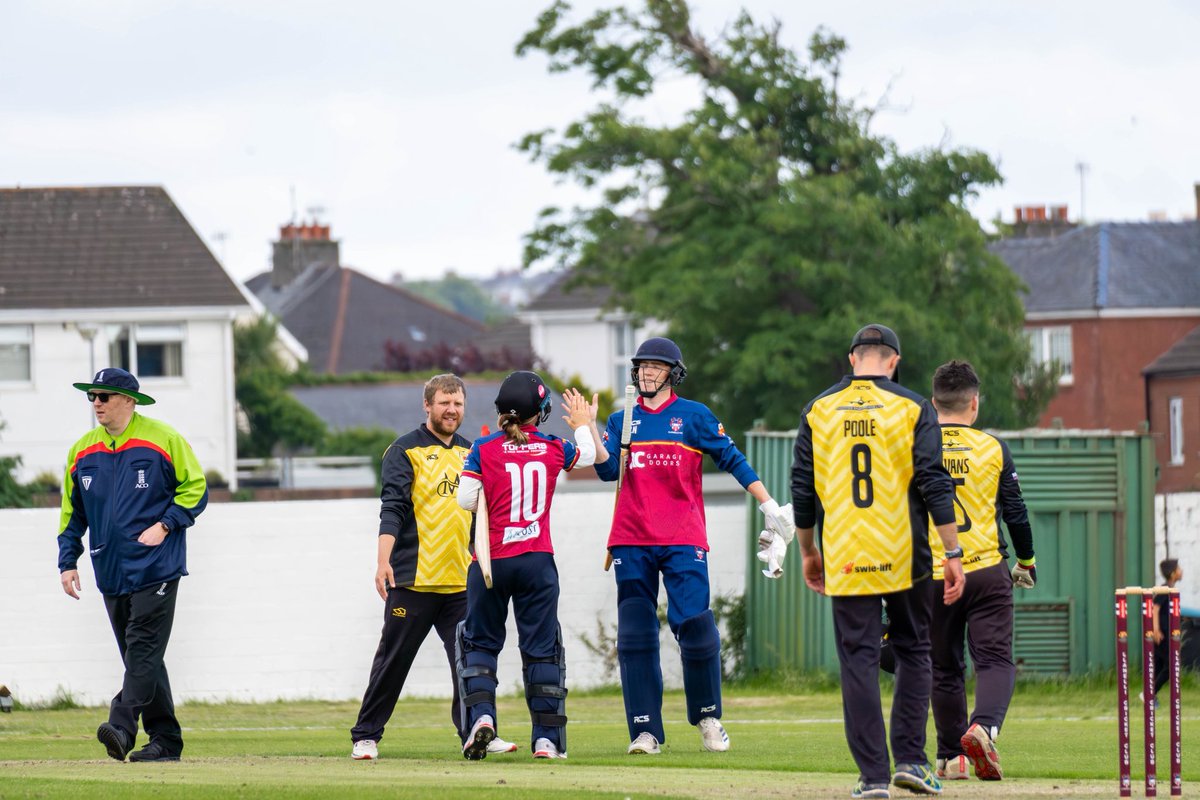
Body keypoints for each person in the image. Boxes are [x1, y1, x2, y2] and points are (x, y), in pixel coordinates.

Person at [595, 337, 792, 755]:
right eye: (642, 366)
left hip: (683, 537)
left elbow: (732, 458)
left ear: (673, 373)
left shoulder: (694, 416)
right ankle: (645, 731)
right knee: (634, 636)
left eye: (655, 366)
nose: (646, 372)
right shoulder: (620, 419)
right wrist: (585, 428)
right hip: (631, 538)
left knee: (696, 627)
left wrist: (768, 503)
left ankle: (708, 717)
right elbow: (608, 469)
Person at [790, 324, 965, 799]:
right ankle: (910, 758)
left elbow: (802, 491)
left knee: (859, 662)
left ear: (852, 359)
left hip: (846, 553)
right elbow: (934, 482)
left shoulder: (818, 410)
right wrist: (952, 552)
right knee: (914, 649)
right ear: (893, 361)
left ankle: (871, 778)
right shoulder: (913, 407)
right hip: (903, 551)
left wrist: (809, 551)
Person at [349, 374, 516, 759]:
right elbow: (392, 509)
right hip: (413, 581)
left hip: (461, 584)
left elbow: (483, 516)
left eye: (457, 403)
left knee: (469, 664)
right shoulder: (404, 451)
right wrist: (382, 562)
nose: (451, 410)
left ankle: (475, 732)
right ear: (428, 405)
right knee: (393, 663)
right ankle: (366, 736)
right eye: (444, 403)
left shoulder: (472, 451)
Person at [57, 368, 208, 762]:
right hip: (110, 569)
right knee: (141, 656)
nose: (96, 404)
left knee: (142, 649)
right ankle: (166, 741)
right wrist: (67, 560)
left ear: (129, 400)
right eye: (92, 396)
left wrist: (165, 525)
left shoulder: (164, 438)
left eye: (104, 396)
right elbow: (72, 514)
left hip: (158, 565)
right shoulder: (81, 451)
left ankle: (121, 725)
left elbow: (196, 489)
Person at [454, 372, 601, 760]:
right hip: (537, 560)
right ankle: (546, 740)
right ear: (539, 413)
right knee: (541, 650)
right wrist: (584, 424)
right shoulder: (552, 447)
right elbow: (586, 455)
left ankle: (483, 718)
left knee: (480, 643)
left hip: (491, 560)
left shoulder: (483, 447)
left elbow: (465, 499)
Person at [926, 360, 1036, 782]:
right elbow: (1017, 514)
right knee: (993, 660)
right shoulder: (993, 448)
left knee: (943, 665)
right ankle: (984, 728)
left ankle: (951, 758)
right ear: (975, 403)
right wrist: (1025, 562)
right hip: (988, 570)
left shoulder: (918, 447)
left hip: (935, 574)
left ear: (933, 405)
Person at [1152, 558, 1184, 700]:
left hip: (1167, 632)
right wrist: (1156, 630)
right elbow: (1155, 608)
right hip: (1162, 634)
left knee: (1158, 666)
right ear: (1172, 574)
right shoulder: (1165, 589)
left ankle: (1149, 695)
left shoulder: (1171, 589)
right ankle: (1150, 694)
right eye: (1178, 569)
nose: (1181, 571)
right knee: (1172, 666)